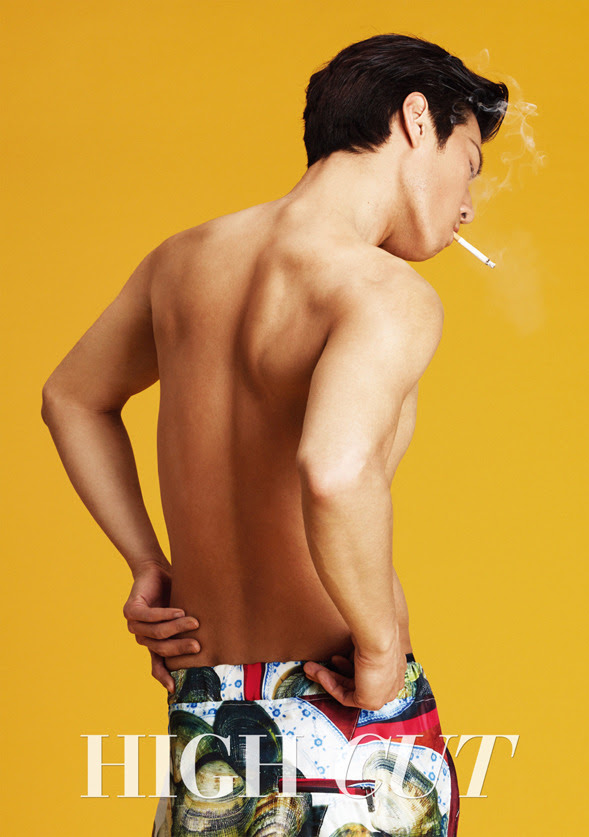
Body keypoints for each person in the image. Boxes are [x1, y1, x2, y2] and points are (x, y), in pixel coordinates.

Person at [41, 32, 507, 837]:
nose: (468, 205)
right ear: (416, 119)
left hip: (208, 715)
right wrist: (380, 647)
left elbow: (70, 397)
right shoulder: (383, 289)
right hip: (343, 713)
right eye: (469, 164)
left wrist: (150, 564)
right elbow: (333, 468)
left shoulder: (181, 263)